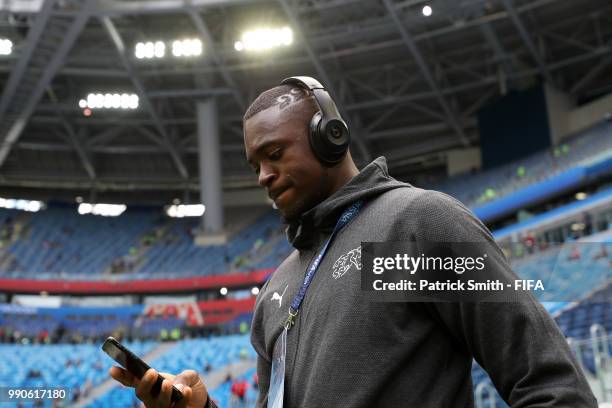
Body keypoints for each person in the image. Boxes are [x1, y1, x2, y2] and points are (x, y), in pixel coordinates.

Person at [109, 76, 597, 407]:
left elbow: (550, 384)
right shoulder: (277, 290)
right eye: (254, 164)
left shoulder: (416, 226)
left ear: (330, 137)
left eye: (274, 153)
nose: (262, 176)